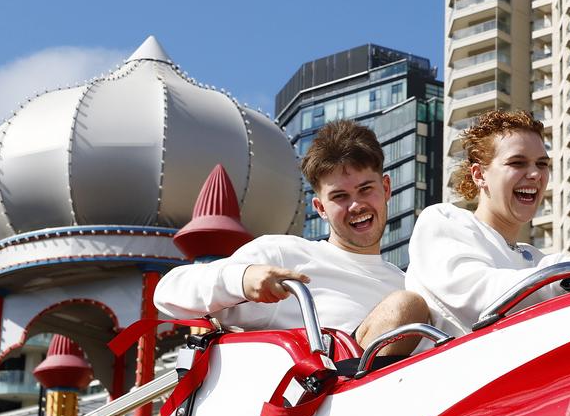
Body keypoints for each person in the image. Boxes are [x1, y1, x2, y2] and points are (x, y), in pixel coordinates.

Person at [155, 120, 428, 356]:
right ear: (320, 208)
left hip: (416, 406)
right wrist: (244, 279)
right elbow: (169, 291)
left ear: (386, 188)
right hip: (323, 404)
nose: (356, 205)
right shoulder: (285, 256)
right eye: (340, 197)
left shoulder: (411, 282)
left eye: (365, 189)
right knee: (405, 308)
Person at [405, 110, 570, 336]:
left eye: (542, 164)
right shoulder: (444, 221)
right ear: (479, 174)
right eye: (517, 163)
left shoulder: (533, 258)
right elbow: (478, 296)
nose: (534, 174)